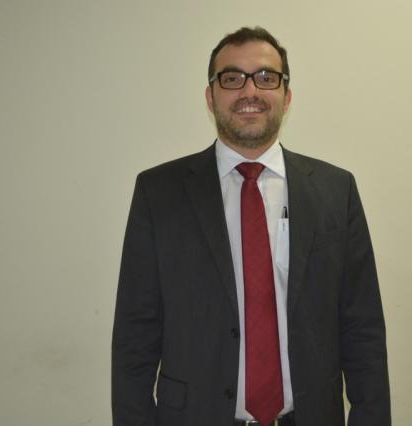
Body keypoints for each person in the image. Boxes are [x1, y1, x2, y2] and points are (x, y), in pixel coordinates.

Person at [112, 26, 390, 426]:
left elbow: (363, 328)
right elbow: (134, 337)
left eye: (265, 77)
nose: (249, 91)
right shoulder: (159, 193)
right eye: (232, 78)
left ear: (286, 96)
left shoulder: (336, 190)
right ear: (210, 96)